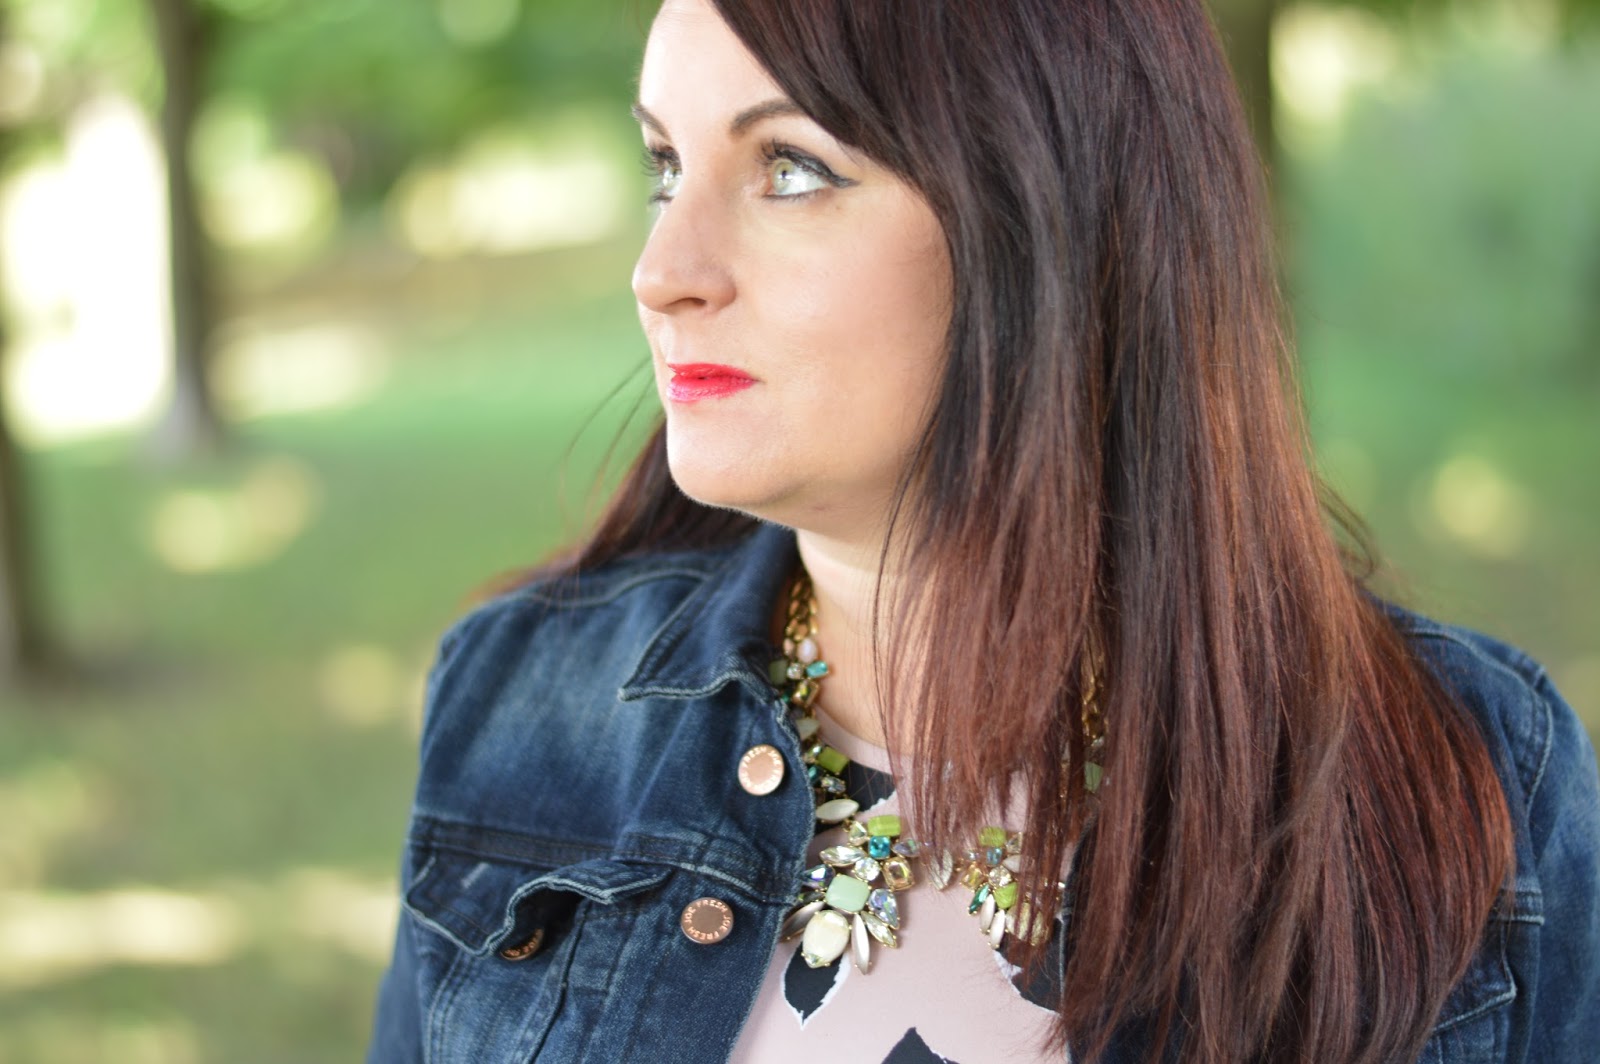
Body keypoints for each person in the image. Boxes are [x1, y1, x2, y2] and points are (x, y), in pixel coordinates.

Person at [364, 1, 1600, 1061]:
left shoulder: (1473, 779)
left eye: (790, 166)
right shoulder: (521, 704)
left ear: (1048, 211)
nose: (662, 270)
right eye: (664, 166)